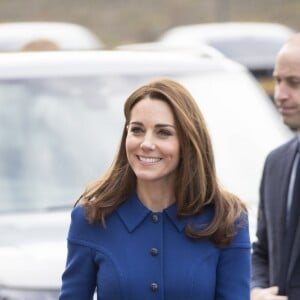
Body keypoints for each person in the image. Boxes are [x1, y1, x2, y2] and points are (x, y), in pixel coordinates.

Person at [59, 78, 251, 299]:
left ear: (188, 142)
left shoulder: (227, 219)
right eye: (137, 130)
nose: (147, 143)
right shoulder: (91, 218)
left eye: (163, 133)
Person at [251, 33, 300, 300]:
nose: (279, 95)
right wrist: (256, 289)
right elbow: (262, 251)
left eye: (294, 83)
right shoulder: (276, 163)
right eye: (278, 80)